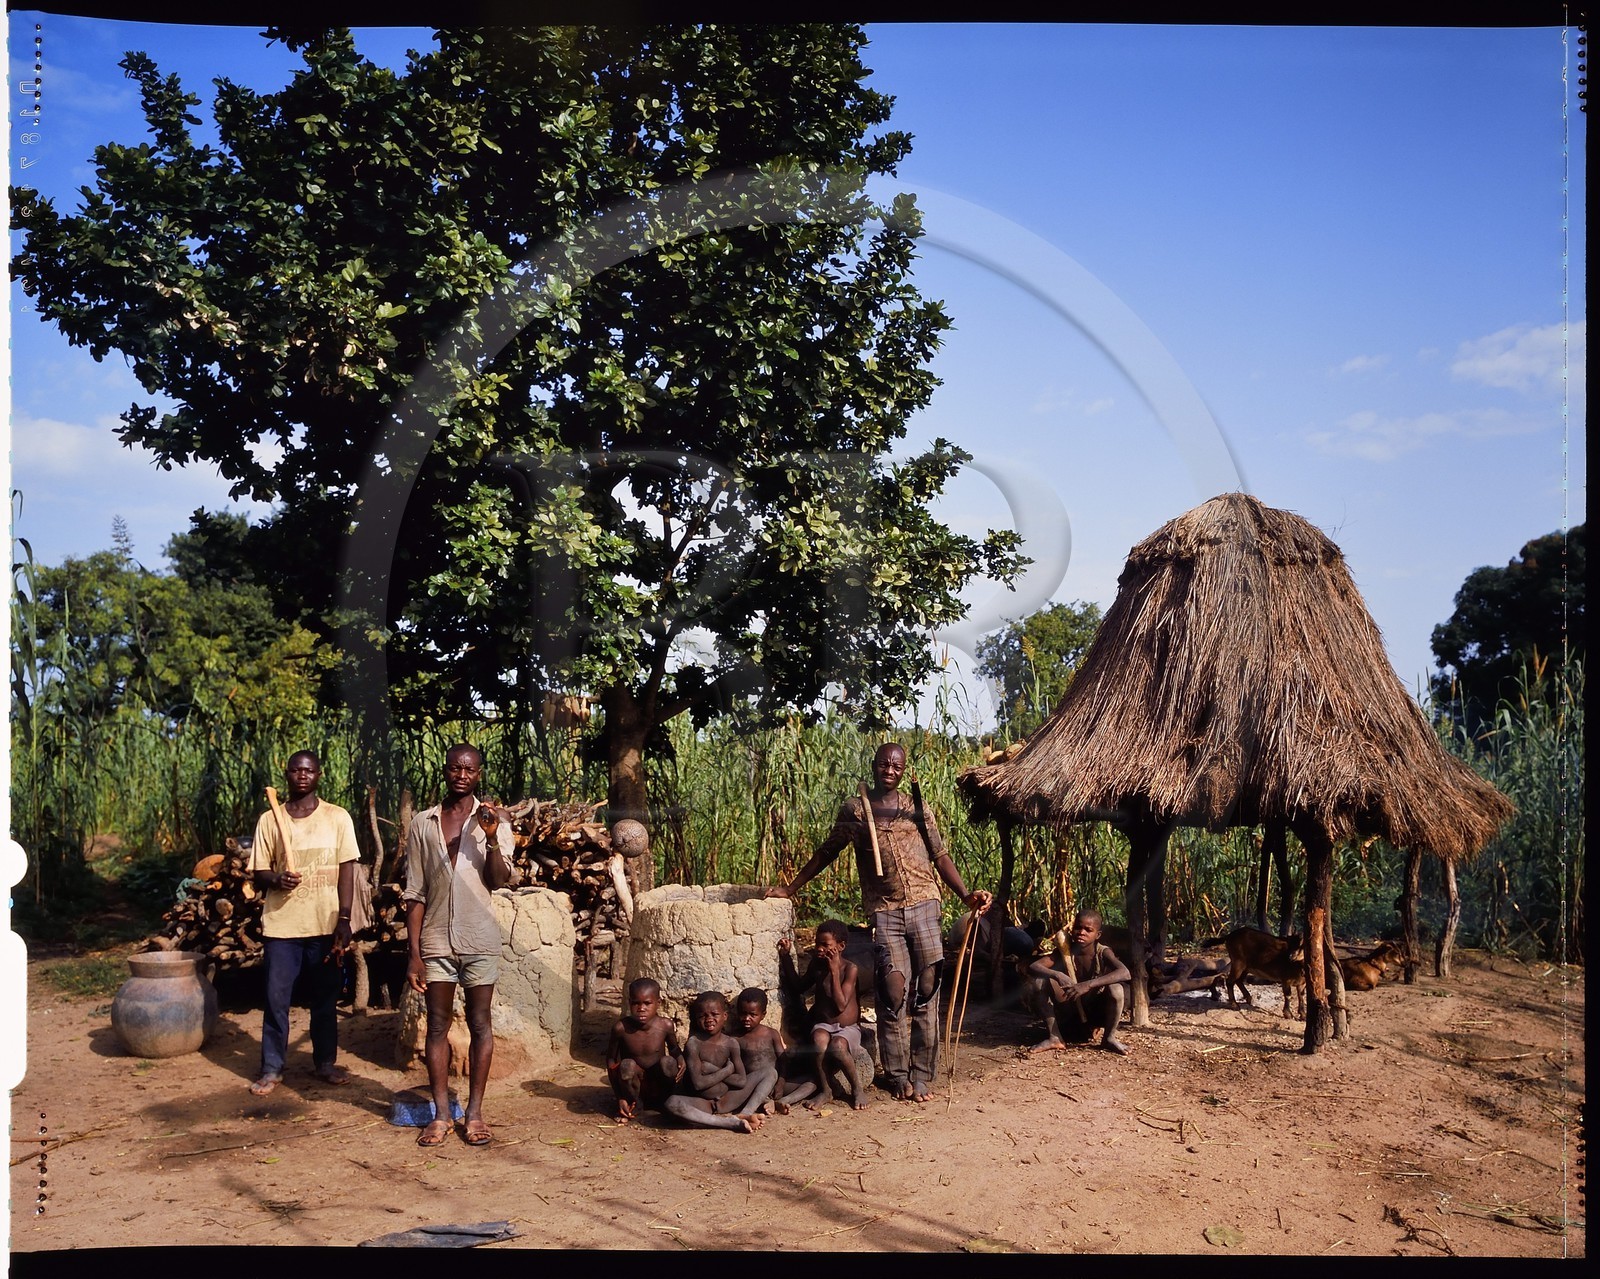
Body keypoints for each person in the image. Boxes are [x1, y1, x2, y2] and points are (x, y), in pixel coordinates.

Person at [768, 743, 992, 1102]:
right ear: (873, 766)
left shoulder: (917, 808)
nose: (890, 769)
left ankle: (921, 1075)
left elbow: (940, 854)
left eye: (896, 765)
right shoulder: (855, 811)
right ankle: (898, 1074)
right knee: (892, 992)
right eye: (884, 763)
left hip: (924, 902)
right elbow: (828, 851)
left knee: (929, 986)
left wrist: (965, 894)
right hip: (884, 909)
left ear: (904, 770)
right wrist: (791, 887)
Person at [403, 743, 517, 1147]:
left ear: (478, 774)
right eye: (455, 768)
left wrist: (491, 839)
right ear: (446, 771)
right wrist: (414, 955)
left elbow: (500, 879)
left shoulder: (493, 821)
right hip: (435, 941)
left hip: (478, 939)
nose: (461, 775)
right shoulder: (423, 824)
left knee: (480, 1023)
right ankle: (439, 1115)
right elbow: (415, 892)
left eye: (469, 770)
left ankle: (475, 1112)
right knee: (437, 1025)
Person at [246, 751, 360, 1096]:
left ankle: (324, 1063)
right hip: (283, 926)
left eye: (308, 770)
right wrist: (276, 879)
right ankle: (271, 1068)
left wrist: (344, 917)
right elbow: (259, 870)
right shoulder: (271, 819)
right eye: (295, 770)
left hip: (325, 924)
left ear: (318, 775)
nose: (301, 776)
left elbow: (347, 869)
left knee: (325, 999)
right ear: (287, 774)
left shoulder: (337, 818)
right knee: (276, 999)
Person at [778, 923, 868, 1110]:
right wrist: (786, 957)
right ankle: (826, 1090)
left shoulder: (849, 969)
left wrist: (834, 971)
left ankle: (857, 1088)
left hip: (847, 1028)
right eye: (817, 943)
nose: (819, 949)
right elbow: (797, 987)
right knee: (819, 1042)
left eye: (825, 945)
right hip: (824, 1025)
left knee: (837, 1047)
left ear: (841, 946)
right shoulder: (817, 966)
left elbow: (841, 1004)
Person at [1025, 909, 1131, 1055]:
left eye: (1088, 930)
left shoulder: (1102, 952)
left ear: (1097, 935)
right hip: (1070, 1011)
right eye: (1078, 928)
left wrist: (1087, 985)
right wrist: (1057, 974)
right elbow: (1034, 966)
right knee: (1038, 982)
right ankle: (1055, 1037)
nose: (1082, 932)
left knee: (1116, 989)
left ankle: (1109, 1038)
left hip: (1095, 1011)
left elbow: (1125, 973)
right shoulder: (1064, 951)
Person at [662, 991, 769, 1132]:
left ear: (725, 1016)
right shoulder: (694, 1044)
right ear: (696, 1018)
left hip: (729, 1098)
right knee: (672, 1103)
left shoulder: (731, 1043)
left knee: (769, 1072)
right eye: (703, 1016)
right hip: (704, 1103)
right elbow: (698, 1084)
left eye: (715, 1014)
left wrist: (713, 1069)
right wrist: (727, 1070)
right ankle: (727, 1123)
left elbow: (741, 1081)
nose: (709, 1019)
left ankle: (747, 1112)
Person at [606, 977, 685, 1124]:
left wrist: (680, 1058)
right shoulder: (621, 1028)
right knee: (627, 1065)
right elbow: (611, 1060)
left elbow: (673, 1048)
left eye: (647, 1003)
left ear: (658, 1003)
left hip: (658, 1082)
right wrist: (620, 1097)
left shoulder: (665, 1025)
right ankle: (635, 1103)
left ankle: (665, 1102)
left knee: (668, 1062)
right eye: (636, 1003)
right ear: (629, 1003)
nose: (641, 1008)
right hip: (634, 1085)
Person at [731, 987, 806, 1114]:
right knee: (753, 1091)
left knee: (812, 1082)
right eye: (743, 1013)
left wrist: (781, 1083)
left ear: (763, 1015)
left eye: (753, 1015)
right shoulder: (735, 1038)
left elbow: (783, 1060)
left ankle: (784, 1101)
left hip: (776, 1085)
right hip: (754, 1086)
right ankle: (763, 1101)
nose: (747, 1018)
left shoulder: (771, 1034)